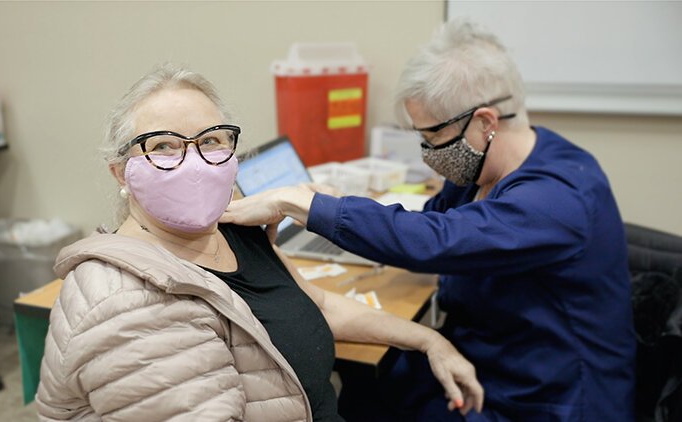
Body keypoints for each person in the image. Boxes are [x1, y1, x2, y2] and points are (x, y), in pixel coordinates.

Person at [221, 19, 636, 421]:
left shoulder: (558, 197)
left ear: (485, 123)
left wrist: (304, 206)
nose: (426, 153)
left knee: (368, 387)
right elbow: (427, 223)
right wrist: (330, 203)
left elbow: (440, 239)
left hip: (546, 398)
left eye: (433, 139)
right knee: (369, 384)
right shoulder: (485, 171)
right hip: (496, 360)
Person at [35, 63, 484, 421]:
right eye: (164, 146)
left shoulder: (230, 229)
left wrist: (429, 341)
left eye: (210, 140)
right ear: (120, 172)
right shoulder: (126, 302)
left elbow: (319, 306)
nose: (194, 162)